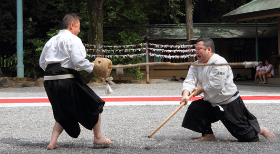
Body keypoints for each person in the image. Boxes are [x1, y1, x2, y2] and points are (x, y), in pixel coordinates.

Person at [39, 13, 113, 150]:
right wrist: (94, 68)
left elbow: (42, 63)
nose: (79, 30)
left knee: (63, 110)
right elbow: (79, 60)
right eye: (78, 27)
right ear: (72, 25)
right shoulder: (73, 39)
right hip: (65, 80)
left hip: (49, 81)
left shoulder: (50, 41)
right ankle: (98, 137)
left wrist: (57, 71)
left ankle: (52, 142)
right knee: (95, 103)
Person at [180, 37, 276, 142]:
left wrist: (200, 89)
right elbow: (189, 80)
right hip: (211, 102)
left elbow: (216, 85)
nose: (196, 52)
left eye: (199, 49)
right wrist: (185, 94)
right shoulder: (196, 64)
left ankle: (260, 129)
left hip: (229, 102)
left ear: (209, 49)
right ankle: (208, 135)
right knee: (195, 108)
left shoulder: (219, 62)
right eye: (196, 49)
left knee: (246, 136)